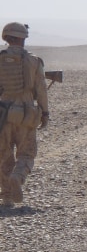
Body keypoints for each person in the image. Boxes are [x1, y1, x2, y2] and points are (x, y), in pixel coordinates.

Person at [0, 22, 49, 207]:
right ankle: (17, 177)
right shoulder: (34, 60)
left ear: (6, 37)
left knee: (4, 156)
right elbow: (41, 89)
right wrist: (45, 112)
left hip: (3, 113)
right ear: (22, 38)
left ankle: (6, 197)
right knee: (26, 154)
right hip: (26, 114)